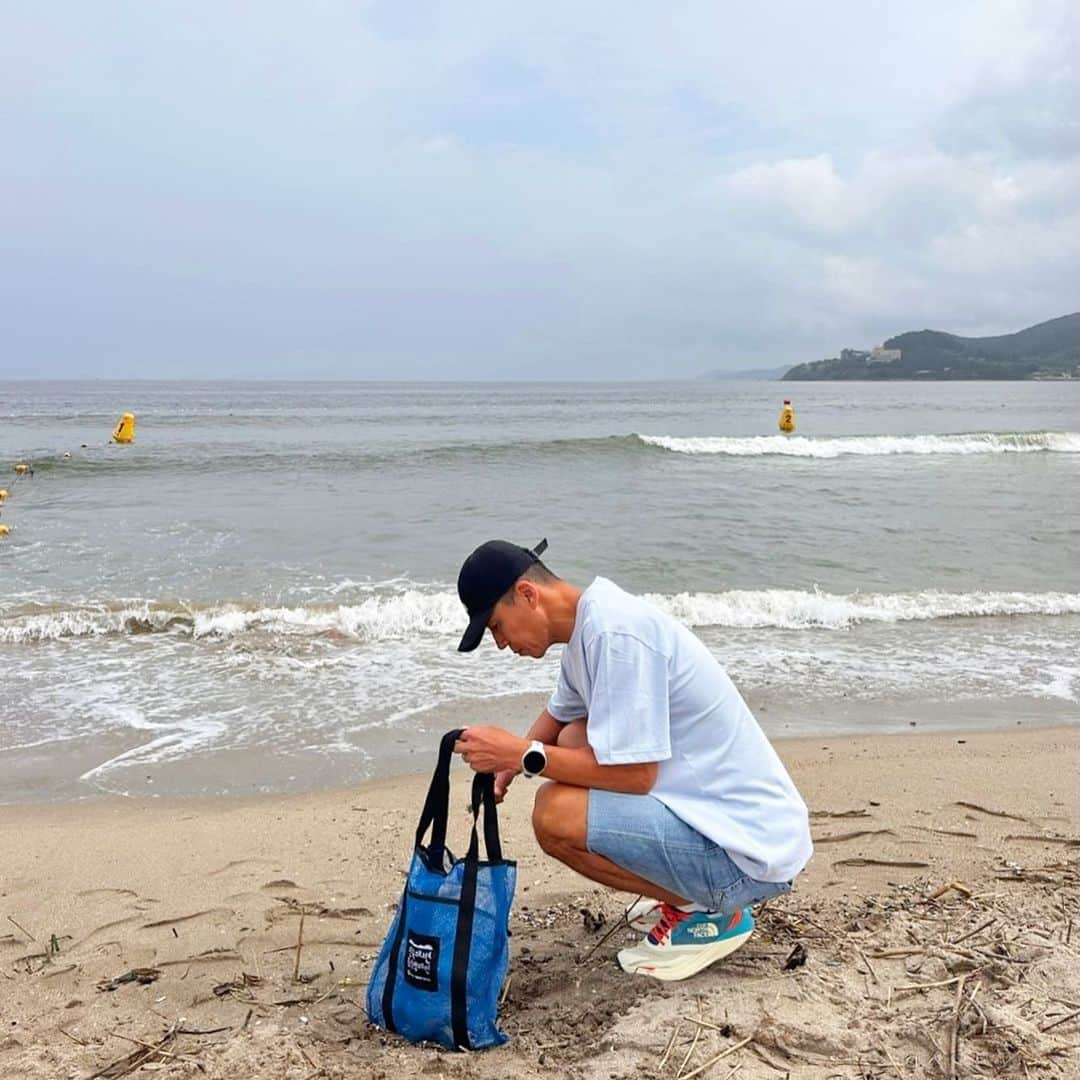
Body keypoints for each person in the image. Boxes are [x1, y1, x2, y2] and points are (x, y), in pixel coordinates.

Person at [452, 538, 813, 982]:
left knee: (553, 815)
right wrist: (505, 770)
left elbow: (637, 776)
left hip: (747, 854)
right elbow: (558, 716)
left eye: (497, 627)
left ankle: (711, 913)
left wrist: (520, 754)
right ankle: (690, 894)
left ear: (528, 595)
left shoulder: (616, 634)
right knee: (575, 734)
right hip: (729, 827)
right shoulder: (591, 626)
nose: (502, 644)